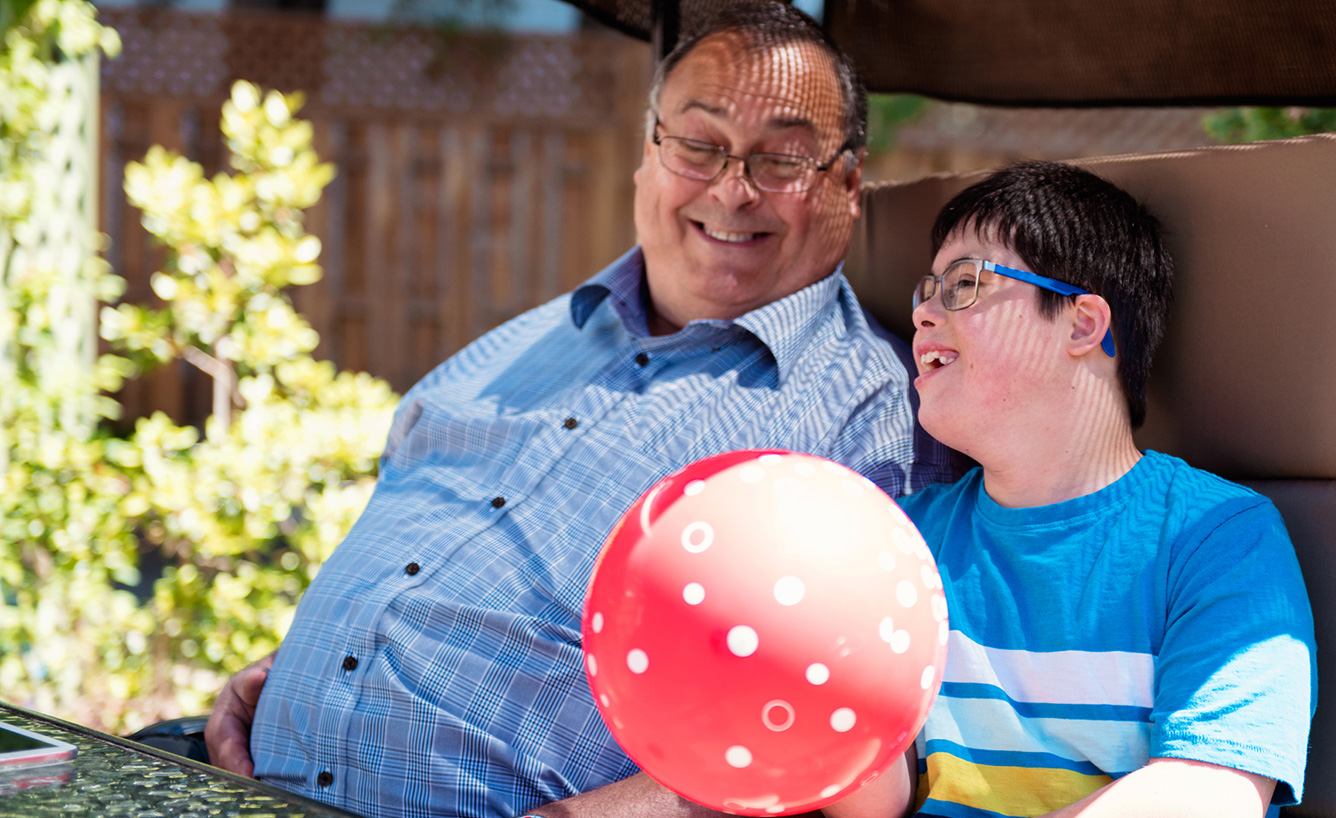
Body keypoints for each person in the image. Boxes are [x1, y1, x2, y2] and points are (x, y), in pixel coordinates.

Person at [203, 6, 953, 818]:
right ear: (649, 155)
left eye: (783, 158)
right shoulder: (523, 343)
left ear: (846, 183)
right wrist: (303, 671)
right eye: (699, 146)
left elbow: (859, 734)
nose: (733, 189)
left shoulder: (869, 416)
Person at [823, 161, 1316, 818]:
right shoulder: (895, 541)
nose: (924, 315)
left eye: (964, 285)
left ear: (1083, 325)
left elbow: (1212, 792)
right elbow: (874, 803)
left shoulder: (1220, 535)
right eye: (926, 291)